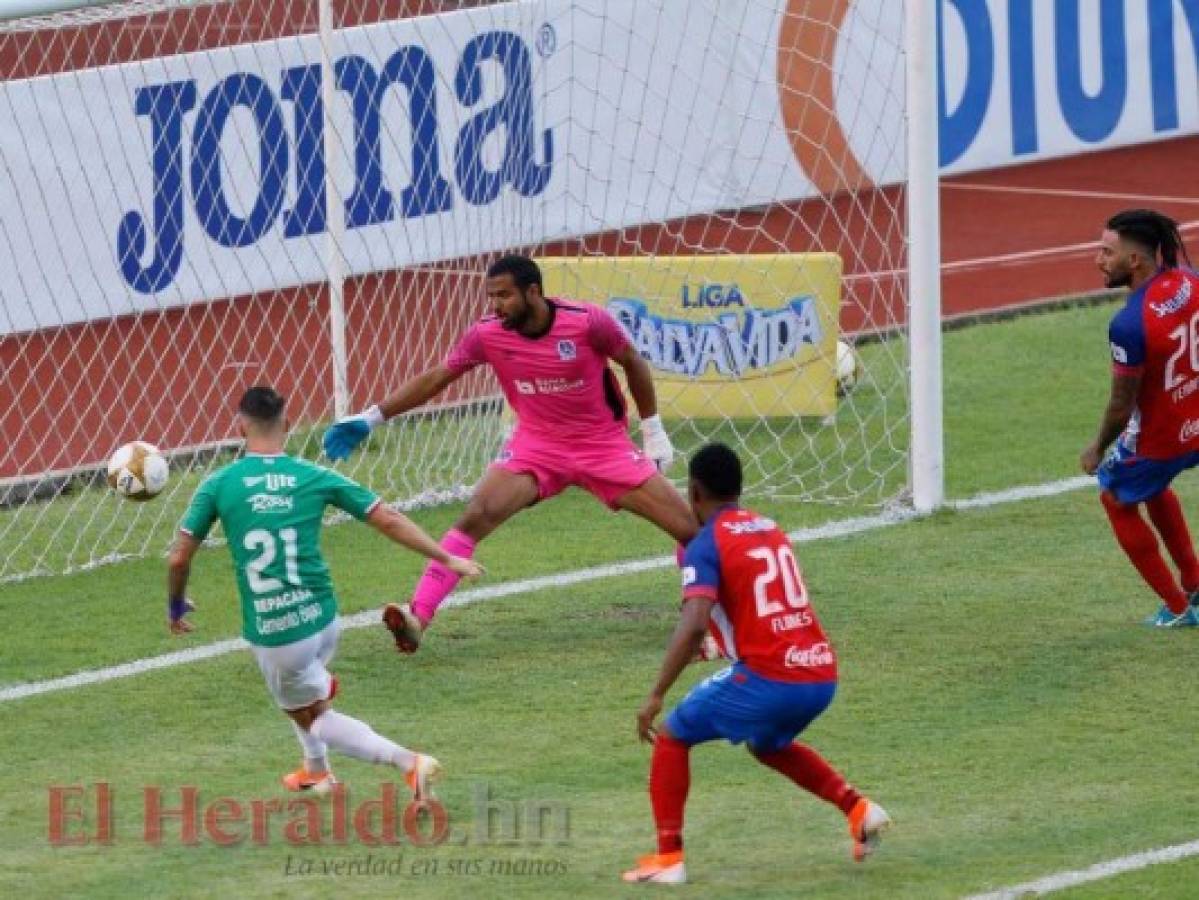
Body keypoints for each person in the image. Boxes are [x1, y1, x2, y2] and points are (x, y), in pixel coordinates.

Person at [323, 254, 698, 652]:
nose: (494, 306)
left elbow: (632, 362)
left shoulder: (588, 321)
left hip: (601, 445)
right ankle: (417, 617)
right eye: (490, 296)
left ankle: (701, 618)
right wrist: (371, 417)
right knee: (474, 516)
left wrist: (652, 430)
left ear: (532, 291)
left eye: (503, 296)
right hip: (536, 446)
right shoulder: (488, 334)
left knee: (690, 530)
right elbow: (437, 377)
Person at [167, 386, 483, 794]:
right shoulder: (312, 475)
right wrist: (447, 558)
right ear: (287, 423)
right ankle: (316, 770)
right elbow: (386, 517)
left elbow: (178, 559)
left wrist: (176, 604)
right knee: (304, 696)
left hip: (277, 629)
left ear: (240, 425)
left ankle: (408, 763)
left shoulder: (219, 484)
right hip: (323, 616)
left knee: (312, 715)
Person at [623, 443, 890, 885]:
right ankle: (859, 810)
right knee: (768, 744)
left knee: (672, 736)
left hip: (771, 678)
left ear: (693, 493)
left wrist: (655, 694)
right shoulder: (770, 527)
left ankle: (669, 859)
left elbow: (692, 624)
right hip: (820, 672)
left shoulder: (706, 544)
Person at [1080, 209, 1199, 628]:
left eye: (1106, 252)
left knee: (1115, 496)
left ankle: (1180, 607)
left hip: (1163, 438)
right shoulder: (1191, 279)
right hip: (1196, 422)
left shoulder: (1129, 324)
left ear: (1134, 261)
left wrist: (1097, 446)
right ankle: (1195, 584)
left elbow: (1121, 404)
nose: (1098, 260)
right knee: (1150, 487)